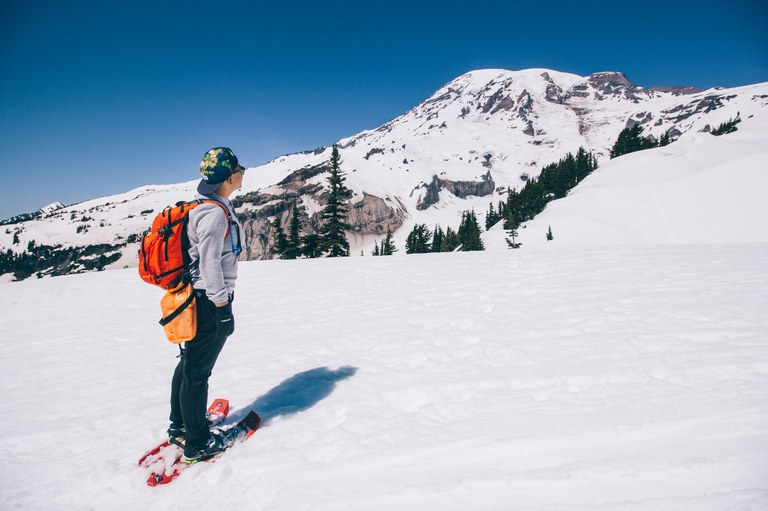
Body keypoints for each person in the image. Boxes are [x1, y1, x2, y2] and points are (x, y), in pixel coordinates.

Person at [168, 147, 246, 463]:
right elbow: (209, 264)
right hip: (207, 300)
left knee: (189, 365)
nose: (243, 172)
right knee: (198, 373)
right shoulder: (214, 214)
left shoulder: (208, 206)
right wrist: (221, 307)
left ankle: (181, 426)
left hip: (199, 298)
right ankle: (197, 443)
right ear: (229, 177)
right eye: (239, 168)